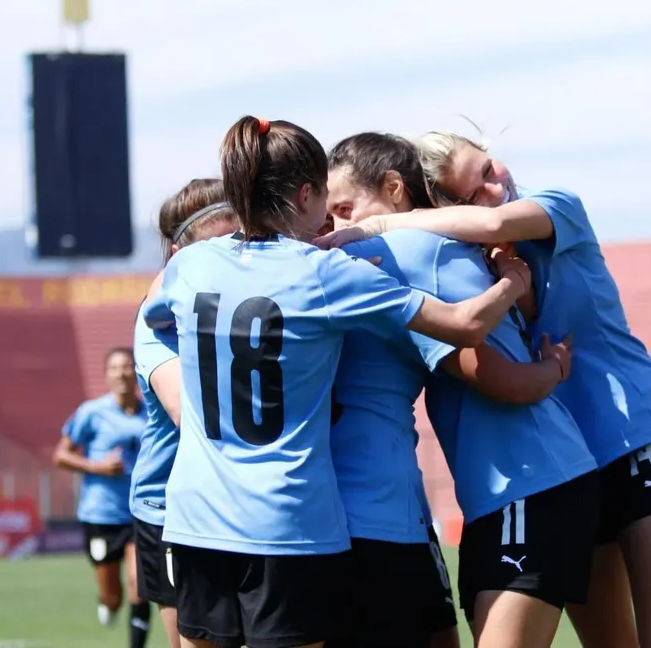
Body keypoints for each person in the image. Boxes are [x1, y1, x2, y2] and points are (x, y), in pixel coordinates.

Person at [316, 129, 651, 648]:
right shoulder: (470, 256)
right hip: (571, 461)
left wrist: (385, 223)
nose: (491, 188)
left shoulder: (551, 208)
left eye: (487, 168)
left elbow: (494, 223)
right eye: (470, 191)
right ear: (448, 206)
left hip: (638, 434)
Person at [142, 116, 532, 648]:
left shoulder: (192, 265)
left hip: (195, 519)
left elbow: (154, 311)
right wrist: (512, 281)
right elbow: (465, 325)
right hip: (285, 521)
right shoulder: (323, 272)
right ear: (306, 193)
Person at [327, 132, 599, 648]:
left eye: (345, 208)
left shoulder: (402, 252)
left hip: (530, 481)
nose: (338, 226)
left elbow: (498, 377)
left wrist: (552, 372)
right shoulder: (429, 247)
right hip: (506, 491)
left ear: (393, 188)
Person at [131, 178, 240, 648]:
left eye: (236, 241)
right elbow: (189, 416)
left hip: (240, 496)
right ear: (180, 254)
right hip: (170, 507)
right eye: (212, 247)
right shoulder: (155, 322)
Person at [52, 347, 149, 647]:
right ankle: (107, 603)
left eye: (127, 367)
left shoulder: (152, 412)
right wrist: (98, 467)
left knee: (140, 585)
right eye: (115, 368)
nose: (121, 373)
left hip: (140, 514)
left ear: (137, 372)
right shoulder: (91, 413)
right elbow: (61, 455)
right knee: (113, 598)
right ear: (106, 375)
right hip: (101, 516)